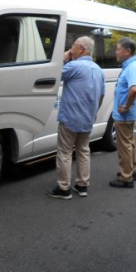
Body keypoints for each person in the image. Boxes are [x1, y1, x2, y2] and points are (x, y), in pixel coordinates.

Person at [47, 36, 105, 199]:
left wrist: (63, 59)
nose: (70, 49)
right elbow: (101, 96)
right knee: (83, 151)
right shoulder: (98, 69)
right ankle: (82, 185)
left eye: (72, 46)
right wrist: (93, 113)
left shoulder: (73, 66)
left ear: (80, 48)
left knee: (65, 153)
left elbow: (53, 76)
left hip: (70, 118)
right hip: (87, 118)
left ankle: (63, 188)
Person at [109, 37, 136, 189]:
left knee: (124, 147)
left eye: (118, 49)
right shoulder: (131, 65)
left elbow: (134, 89)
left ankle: (126, 177)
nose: (116, 52)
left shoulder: (132, 67)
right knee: (129, 144)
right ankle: (131, 171)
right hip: (127, 114)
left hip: (124, 115)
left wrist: (126, 107)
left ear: (127, 52)